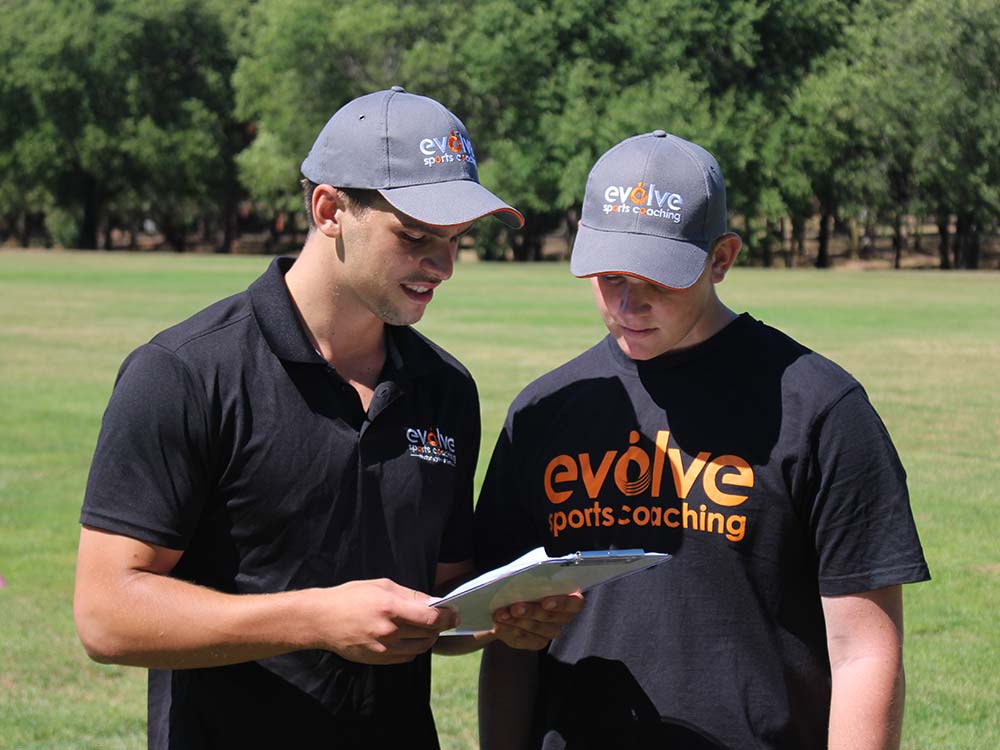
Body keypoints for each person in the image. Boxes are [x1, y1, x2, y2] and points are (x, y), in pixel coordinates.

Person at [74, 87, 581, 750]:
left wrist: (499, 616)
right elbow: (107, 615)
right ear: (329, 209)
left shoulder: (445, 390)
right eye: (416, 235)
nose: (443, 266)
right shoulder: (184, 373)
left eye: (457, 240)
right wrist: (316, 619)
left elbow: (440, 599)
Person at [473, 130, 930, 749]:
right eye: (608, 277)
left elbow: (864, 652)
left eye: (658, 279)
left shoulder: (820, 409)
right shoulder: (545, 411)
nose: (629, 303)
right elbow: (505, 640)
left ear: (721, 259)